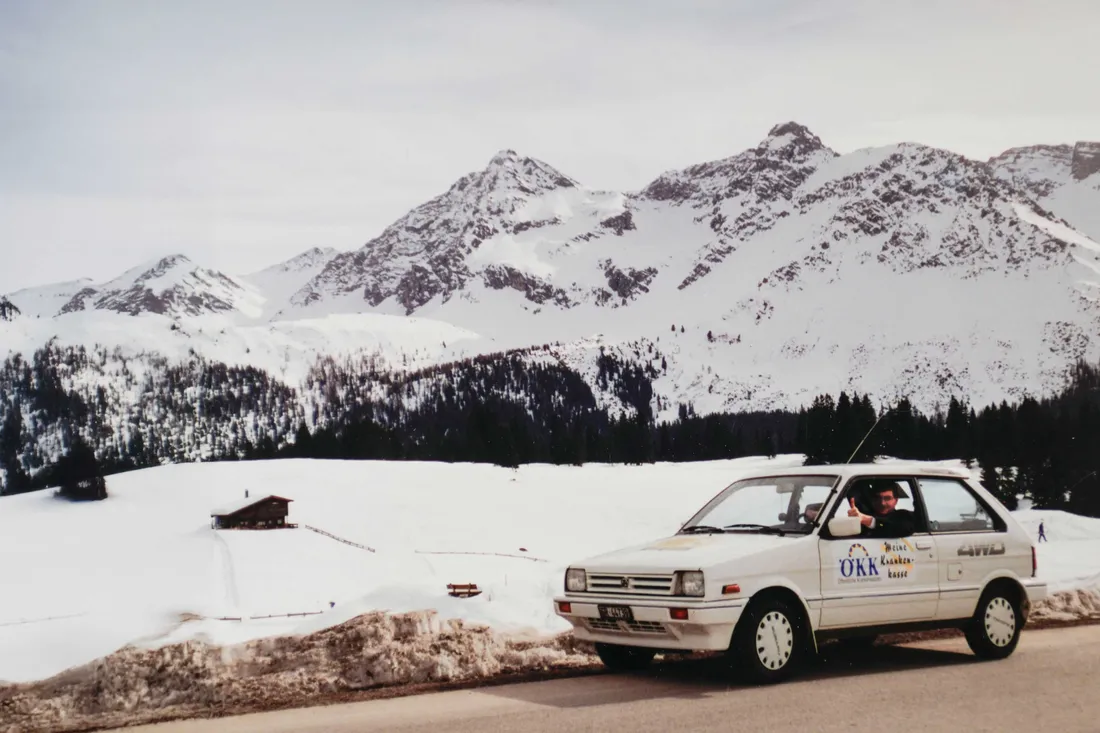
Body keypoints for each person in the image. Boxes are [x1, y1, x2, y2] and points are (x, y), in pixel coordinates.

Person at [846, 482, 916, 538]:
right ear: (872, 499)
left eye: (887, 498)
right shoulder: (864, 513)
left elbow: (898, 527)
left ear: (896, 500)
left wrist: (868, 520)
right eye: (877, 498)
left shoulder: (904, 516)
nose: (882, 503)